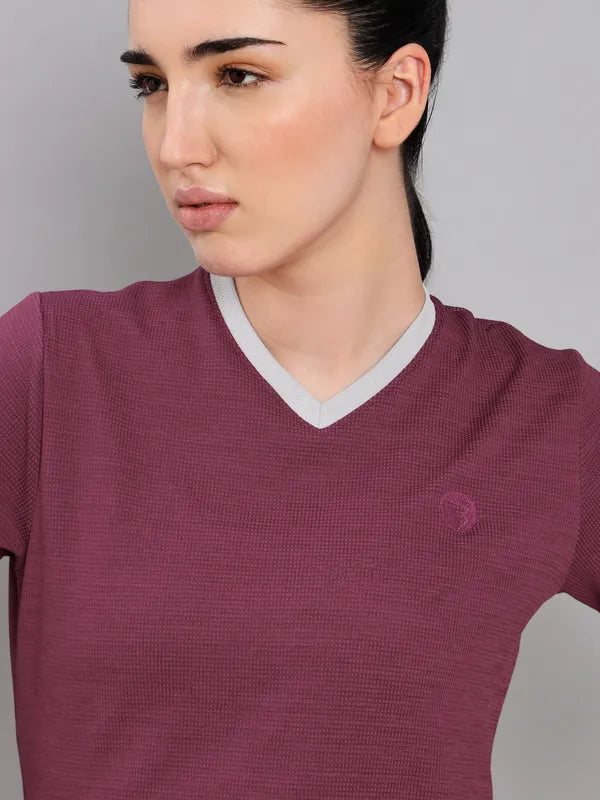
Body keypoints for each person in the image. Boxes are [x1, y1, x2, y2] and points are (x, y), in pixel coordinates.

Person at [0, 0, 598, 797]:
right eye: (152, 85)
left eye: (238, 75)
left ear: (396, 93)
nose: (176, 145)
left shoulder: (544, 413)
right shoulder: (52, 369)